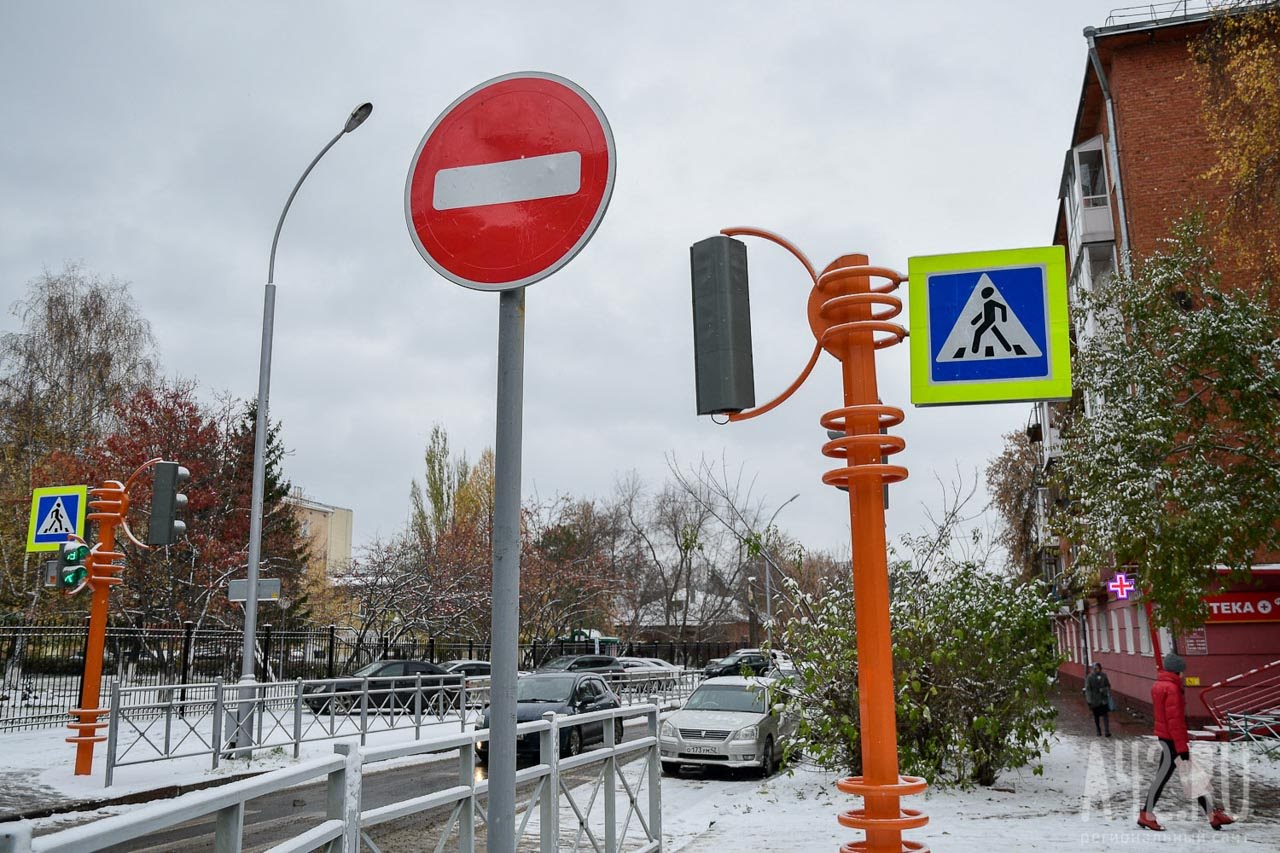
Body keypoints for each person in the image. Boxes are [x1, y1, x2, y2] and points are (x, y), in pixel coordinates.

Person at [1138, 653, 1235, 832]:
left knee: (1191, 777)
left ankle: (1212, 815)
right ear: (1176, 671)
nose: (1183, 675)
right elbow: (1174, 721)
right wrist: (1182, 747)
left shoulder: (1160, 685)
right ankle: (1146, 814)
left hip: (1167, 739)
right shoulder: (1172, 689)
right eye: (1182, 671)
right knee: (1164, 778)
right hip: (1172, 741)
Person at [1084, 661, 1112, 737]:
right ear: (1093, 669)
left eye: (1098, 668)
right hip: (1095, 700)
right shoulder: (1089, 677)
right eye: (1096, 668)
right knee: (1096, 716)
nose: (1097, 670)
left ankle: (1107, 731)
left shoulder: (1103, 676)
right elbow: (1088, 689)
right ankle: (1098, 730)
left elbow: (1108, 686)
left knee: (1105, 715)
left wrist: (1104, 690)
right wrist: (1089, 700)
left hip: (1103, 700)